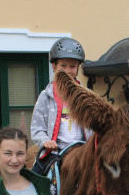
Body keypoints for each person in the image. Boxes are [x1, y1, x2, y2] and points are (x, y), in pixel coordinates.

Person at [30, 37, 93, 175]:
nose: (68, 71)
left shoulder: (87, 97)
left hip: (82, 152)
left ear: (78, 68)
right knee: (35, 180)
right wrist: (45, 141)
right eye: (63, 65)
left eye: (72, 66)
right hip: (54, 152)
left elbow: (95, 126)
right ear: (54, 66)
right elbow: (37, 128)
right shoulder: (46, 96)